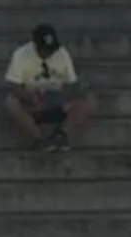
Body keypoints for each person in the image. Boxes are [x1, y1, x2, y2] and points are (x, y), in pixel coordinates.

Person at [5, 22, 92, 153]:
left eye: (50, 51)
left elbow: (71, 82)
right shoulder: (21, 55)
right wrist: (30, 97)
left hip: (57, 97)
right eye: (43, 50)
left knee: (89, 101)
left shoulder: (62, 53)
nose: (47, 54)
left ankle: (62, 136)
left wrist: (64, 96)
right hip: (34, 99)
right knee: (12, 103)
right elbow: (14, 85)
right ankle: (39, 138)